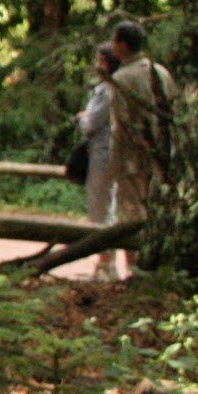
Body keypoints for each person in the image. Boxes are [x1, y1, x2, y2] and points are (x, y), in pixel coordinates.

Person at [106, 17, 175, 273]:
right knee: (157, 208)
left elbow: (122, 122)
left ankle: (134, 268)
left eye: (114, 40)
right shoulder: (161, 72)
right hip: (162, 156)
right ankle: (157, 265)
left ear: (123, 45)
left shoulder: (122, 77)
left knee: (131, 213)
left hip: (131, 157)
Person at [75, 42, 119, 281]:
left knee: (101, 208)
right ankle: (107, 263)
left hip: (103, 154)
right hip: (111, 153)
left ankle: (105, 264)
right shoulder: (115, 88)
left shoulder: (107, 91)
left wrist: (81, 118)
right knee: (108, 207)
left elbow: (91, 124)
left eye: (99, 60)